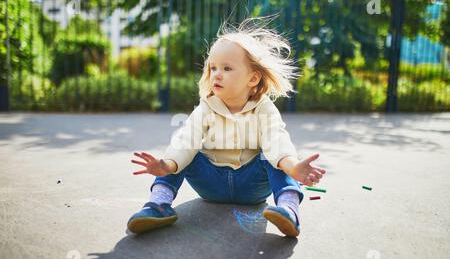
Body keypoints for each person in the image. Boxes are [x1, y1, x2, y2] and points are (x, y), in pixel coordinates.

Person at [128, 17, 326, 237]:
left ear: (252, 78)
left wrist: (293, 167)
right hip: (211, 184)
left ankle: (289, 209)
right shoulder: (206, 107)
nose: (216, 74)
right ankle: (158, 204)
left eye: (227, 68)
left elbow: (276, 140)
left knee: (272, 157)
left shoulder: (264, 108)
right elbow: (185, 141)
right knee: (184, 153)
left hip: (251, 187)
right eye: (213, 68)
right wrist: (167, 165)